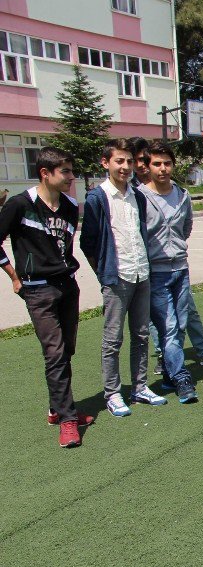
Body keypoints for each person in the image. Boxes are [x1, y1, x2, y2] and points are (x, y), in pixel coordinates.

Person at [0, 147, 94, 447]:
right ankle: (67, 420)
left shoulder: (68, 205)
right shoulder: (19, 205)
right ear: (45, 173)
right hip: (38, 290)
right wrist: (14, 277)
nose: (71, 177)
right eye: (65, 171)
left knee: (66, 351)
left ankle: (57, 408)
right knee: (54, 354)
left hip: (68, 286)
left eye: (71, 171)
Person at [81, 138, 166, 417]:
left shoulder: (137, 195)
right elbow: (88, 242)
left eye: (129, 161)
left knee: (141, 334)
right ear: (106, 163)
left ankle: (139, 386)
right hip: (116, 278)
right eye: (119, 161)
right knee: (112, 339)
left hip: (142, 272)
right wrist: (103, 272)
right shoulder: (97, 198)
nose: (126, 166)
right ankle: (113, 393)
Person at [137, 141, 199, 404]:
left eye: (167, 163)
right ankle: (182, 377)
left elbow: (186, 227)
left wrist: (177, 249)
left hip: (181, 269)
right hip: (157, 272)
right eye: (157, 164)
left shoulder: (182, 194)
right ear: (148, 166)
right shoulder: (140, 197)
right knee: (170, 327)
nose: (163, 169)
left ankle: (169, 375)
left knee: (180, 324)